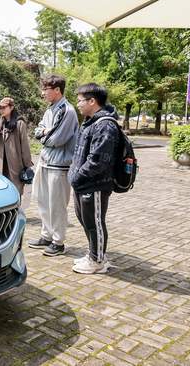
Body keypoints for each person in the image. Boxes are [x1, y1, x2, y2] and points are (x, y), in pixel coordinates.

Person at [68, 83, 120, 274]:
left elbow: (98, 161)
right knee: (86, 220)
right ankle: (94, 254)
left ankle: (97, 261)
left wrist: (77, 177)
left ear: (92, 101)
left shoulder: (105, 125)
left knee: (95, 223)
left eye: (80, 100)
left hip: (95, 184)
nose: (78, 104)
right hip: (83, 183)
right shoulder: (90, 121)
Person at [28, 75, 79, 257]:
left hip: (60, 164)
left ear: (57, 90)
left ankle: (58, 242)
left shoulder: (67, 110)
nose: (43, 93)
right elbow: (37, 131)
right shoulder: (50, 109)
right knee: (43, 201)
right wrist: (44, 132)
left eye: (46, 89)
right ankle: (46, 235)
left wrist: (44, 135)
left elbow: (56, 139)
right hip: (45, 161)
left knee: (57, 205)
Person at [0, 97, 33, 196]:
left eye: (4, 107)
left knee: (15, 190)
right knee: (1, 190)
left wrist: (27, 165)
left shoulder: (19, 123)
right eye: (0, 108)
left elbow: (24, 145)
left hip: (15, 162)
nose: (1, 110)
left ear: (12, 107)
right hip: (0, 162)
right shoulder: (0, 122)